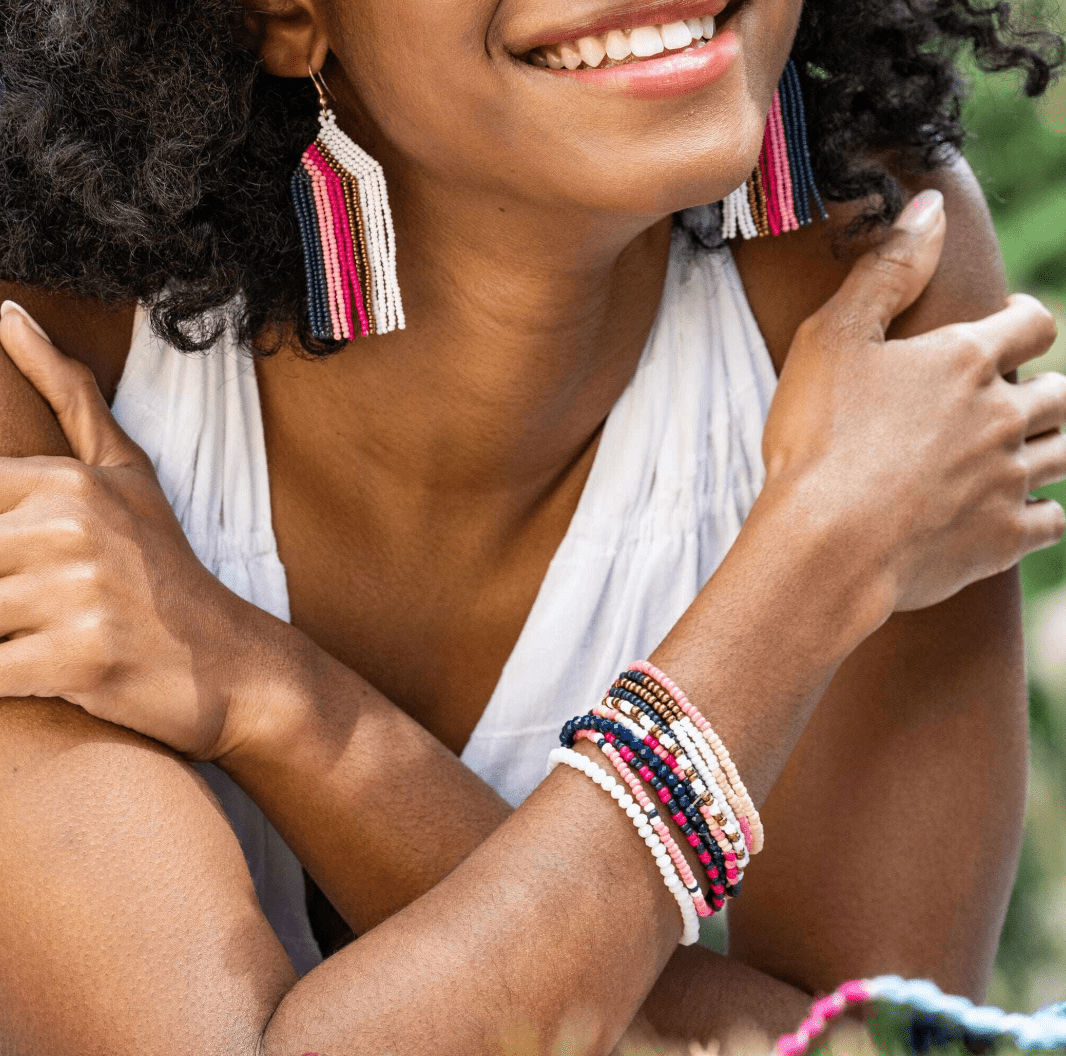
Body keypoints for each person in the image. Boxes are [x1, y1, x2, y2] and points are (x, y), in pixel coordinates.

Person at [0, 1, 1063, 1053]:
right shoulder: (43, 347)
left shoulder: (872, 281)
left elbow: (867, 1048)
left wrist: (278, 704)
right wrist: (817, 567)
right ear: (286, 14)